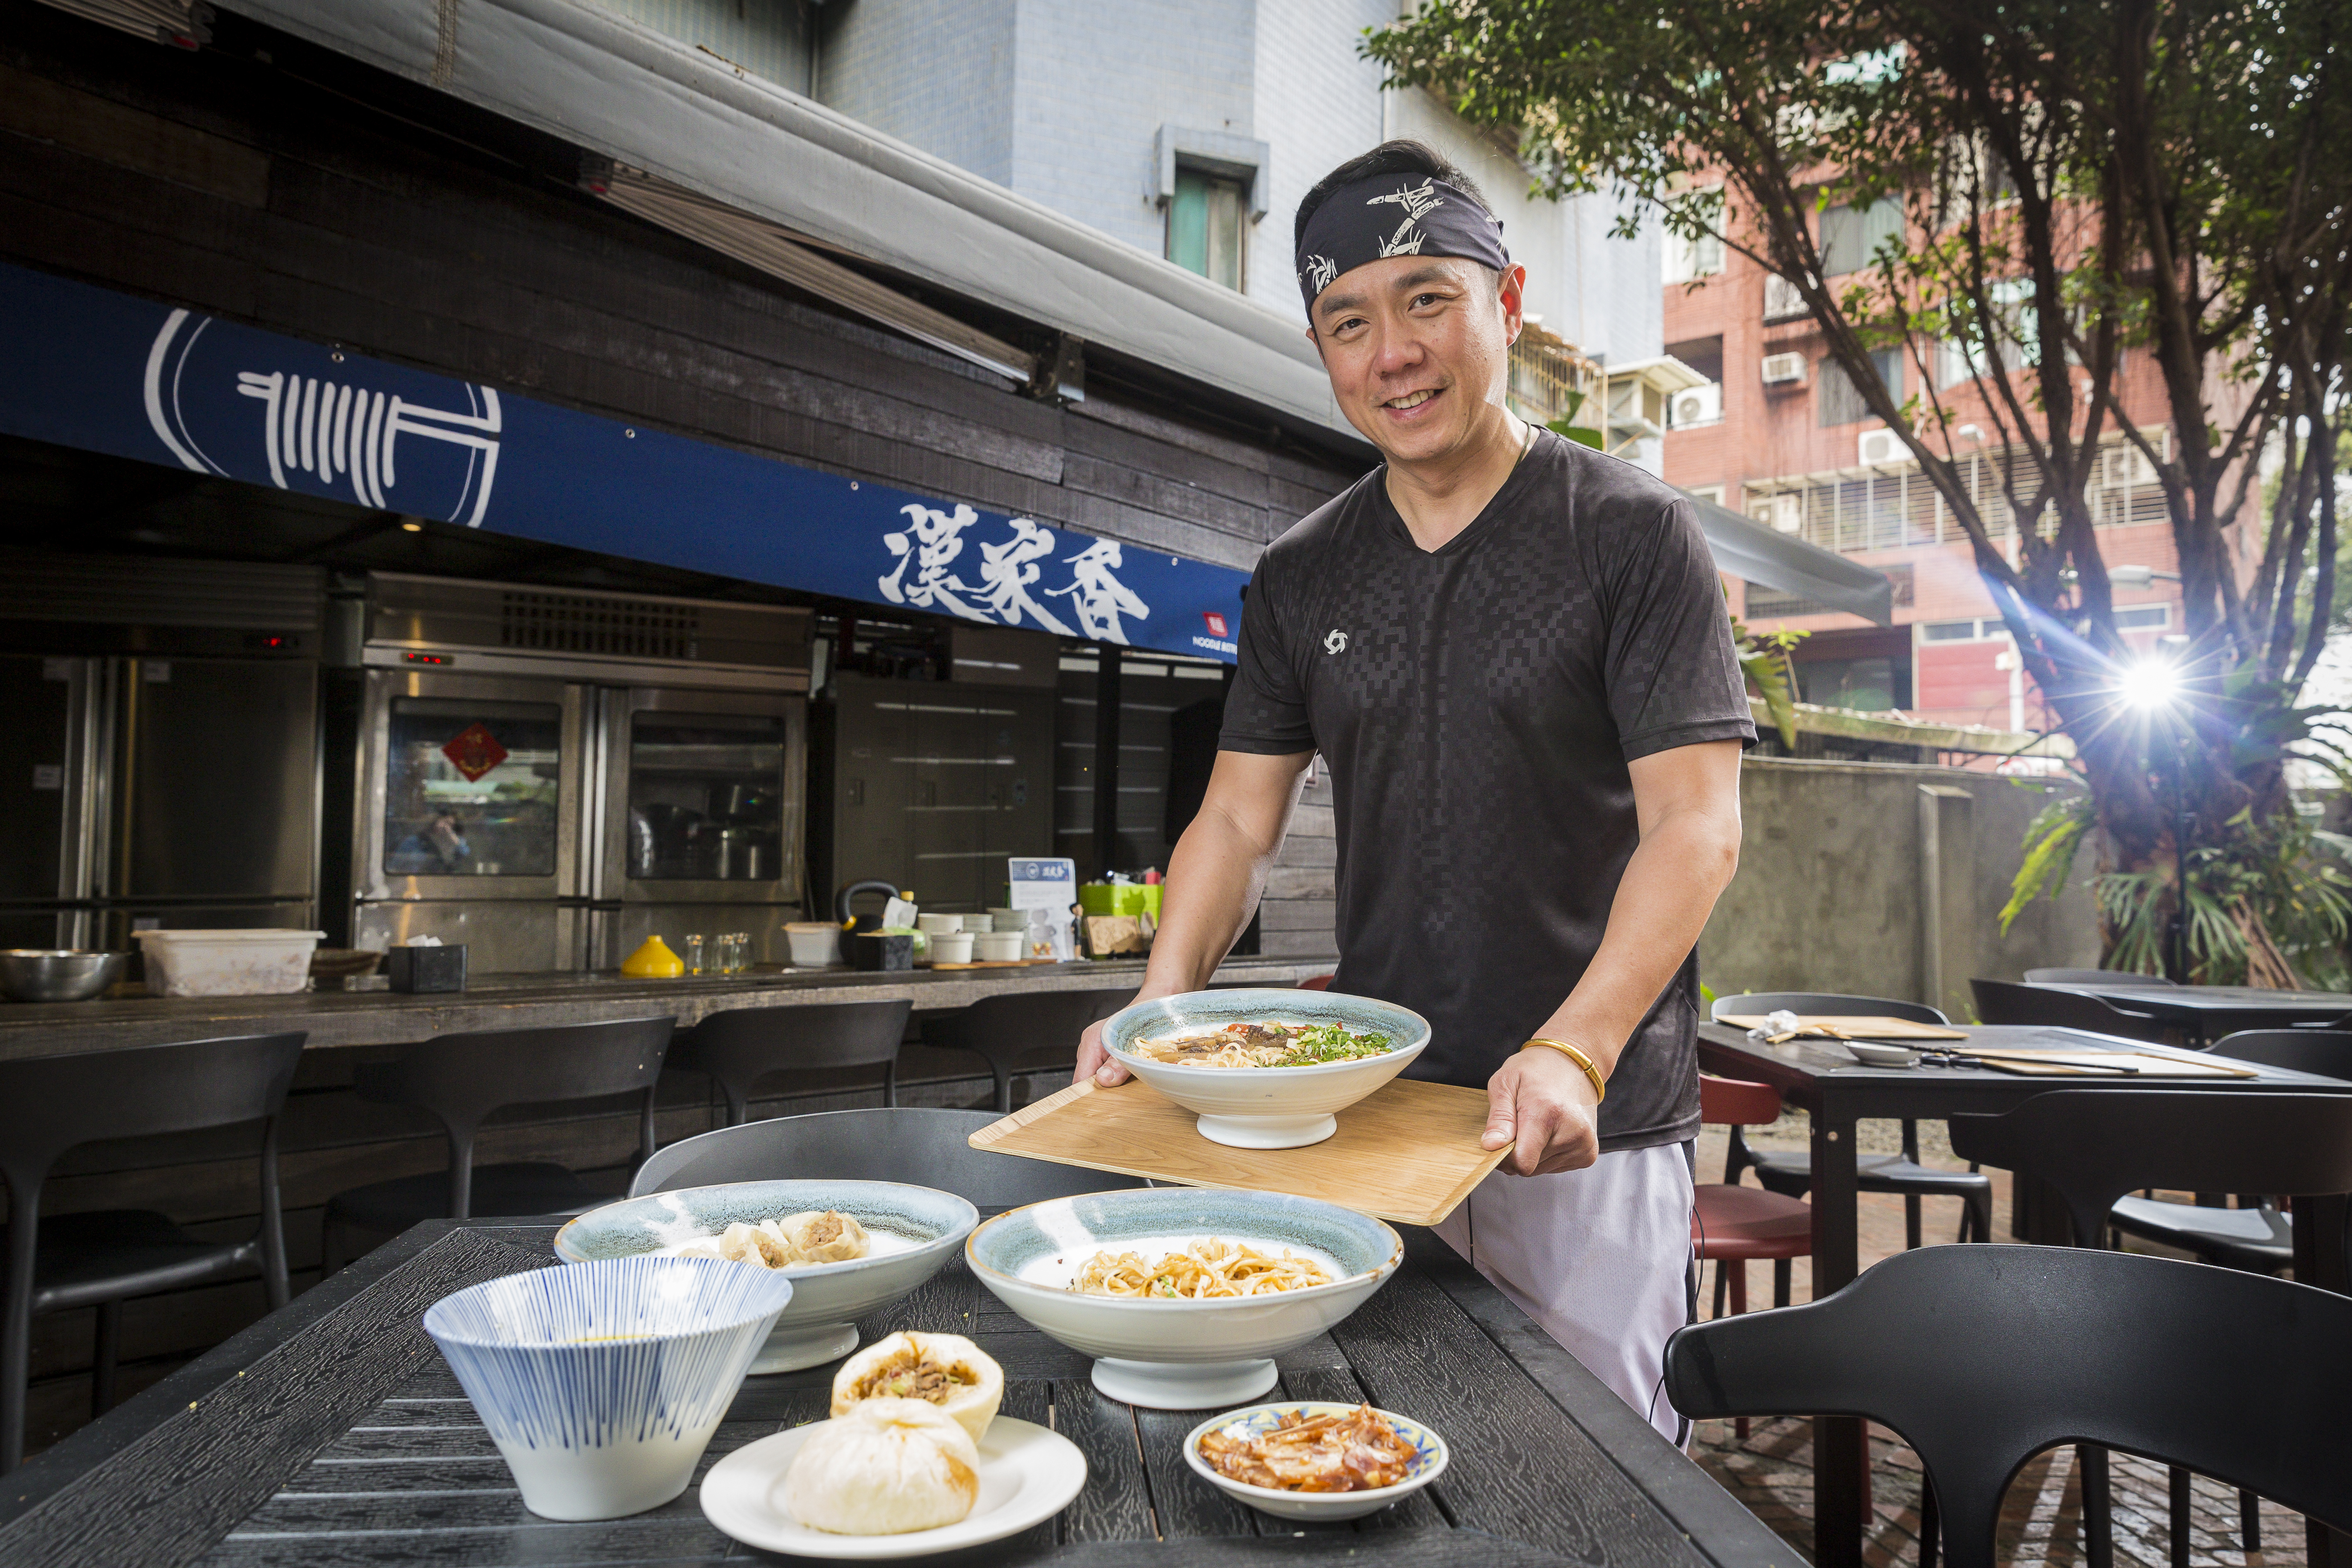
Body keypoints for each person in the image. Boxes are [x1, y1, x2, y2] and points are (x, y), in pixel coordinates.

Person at [1073, 141, 1752, 1439]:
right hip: (1368, 1112)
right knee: (1378, 1440)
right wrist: (1158, 1009)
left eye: (1428, 298)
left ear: (1502, 307)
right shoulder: (1303, 572)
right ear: (1325, 351)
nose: (1393, 351)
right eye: (1350, 319)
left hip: (1585, 1119)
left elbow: (1696, 825)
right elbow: (1235, 819)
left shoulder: (1629, 533)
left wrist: (1576, 1046)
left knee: (1593, 1473)